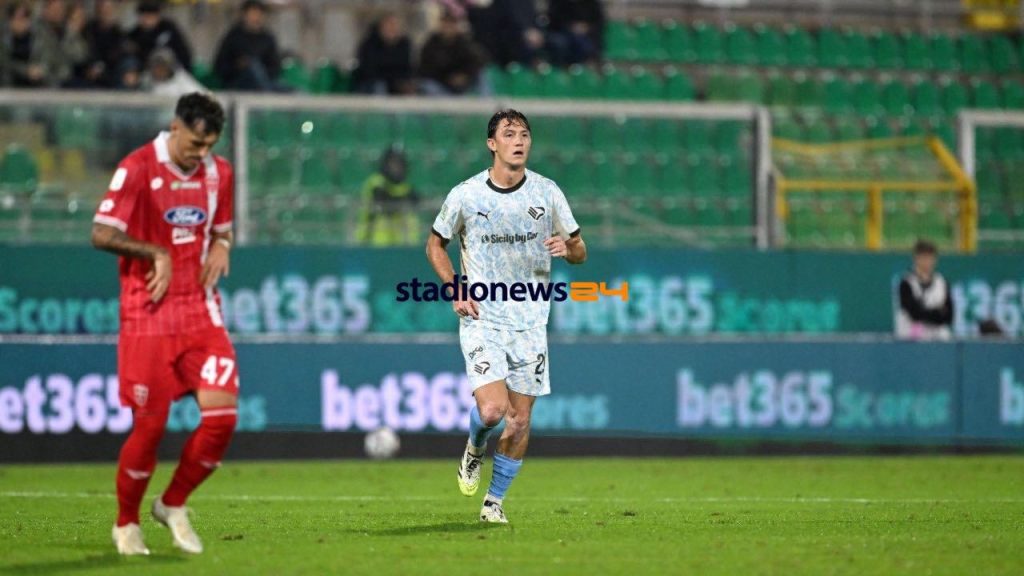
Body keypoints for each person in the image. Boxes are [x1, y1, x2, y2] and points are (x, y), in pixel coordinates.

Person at [92, 93, 238, 556]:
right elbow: (101, 232)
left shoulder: (220, 173)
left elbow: (222, 230)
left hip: (199, 309)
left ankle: (172, 503)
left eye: (209, 145)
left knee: (222, 418)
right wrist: (155, 252)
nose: (202, 153)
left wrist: (223, 246)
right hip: (148, 312)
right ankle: (126, 523)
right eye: (195, 143)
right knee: (150, 427)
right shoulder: (137, 167)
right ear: (175, 128)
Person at [426, 109, 587, 523]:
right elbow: (434, 245)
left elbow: (580, 250)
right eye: (510, 134)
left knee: (519, 422)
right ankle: (475, 446)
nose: (519, 141)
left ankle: (493, 503)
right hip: (482, 317)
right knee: (493, 412)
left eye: (525, 135)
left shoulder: (547, 192)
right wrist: (454, 286)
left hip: (531, 323)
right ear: (492, 144)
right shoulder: (466, 195)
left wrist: (568, 249)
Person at [212, 0, 285, 92]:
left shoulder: (268, 38)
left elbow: (275, 67)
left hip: (264, 81)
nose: (256, 18)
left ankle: (265, 88)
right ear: (244, 15)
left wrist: (260, 68)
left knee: (292, 90)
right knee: (253, 67)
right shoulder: (233, 37)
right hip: (238, 82)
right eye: (252, 14)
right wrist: (239, 66)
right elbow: (220, 66)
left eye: (259, 14)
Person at [355, 147, 420, 246]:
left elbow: (417, 200)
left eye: (400, 164)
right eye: (393, 164)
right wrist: (405, 200)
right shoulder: (375, 182)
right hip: (372, 242)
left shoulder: (406, 187)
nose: (397, 168)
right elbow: (384, 201)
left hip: (401, 244)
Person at [419, 10, 488, 96]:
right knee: (427, 85)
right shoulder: (431, 44)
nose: (448, 26)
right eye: (446, 22)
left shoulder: (464, 42)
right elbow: (425, 69)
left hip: (462, 85)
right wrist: (448, 78)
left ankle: (486, 101)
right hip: (440, 85)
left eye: (451, 23)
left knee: (481, 75)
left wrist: (464, 75)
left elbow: (480, 60)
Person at [895, 239, 953, 341]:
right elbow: (915, 314)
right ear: (916, 258)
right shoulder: (907, 283)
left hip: (938, 337)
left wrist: (926, 312)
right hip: (912, 337)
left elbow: (948, 316)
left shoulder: (942, 282)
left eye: (931, 257)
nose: (927, 261)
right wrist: (937, 312)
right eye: (924, 257)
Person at [352, 13, 414, 95]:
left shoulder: (404, 44)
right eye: (389, 25)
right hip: (372, 82)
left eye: (395, 25)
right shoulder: (370, 44)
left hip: (396, 82)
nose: (392, 28)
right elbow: (369, 69)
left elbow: (407, 67)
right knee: (380, 86)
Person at [126, 0, 193, 74]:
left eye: (150, 17)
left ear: (157, 16)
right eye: (144, 16)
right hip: (147, 72)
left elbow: (183, 52)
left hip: (173, 71)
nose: (146, 20)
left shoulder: (168, 28)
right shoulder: (135, 34)